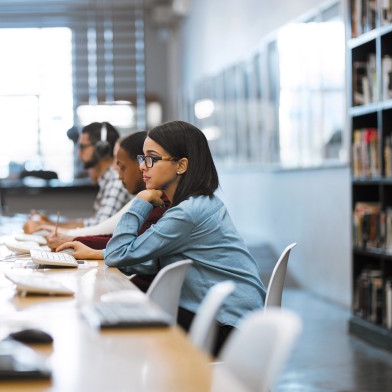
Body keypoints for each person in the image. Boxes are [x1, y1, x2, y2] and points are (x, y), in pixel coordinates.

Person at [61, 120, 266, 355]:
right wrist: (99, 253)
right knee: (118, 321)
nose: (142, 167)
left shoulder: (187, 212)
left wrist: (140, 201)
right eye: (142, 158)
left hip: (228, 326)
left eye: (152, 158)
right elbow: (152, 260)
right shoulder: (197, 204)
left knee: (120, 334)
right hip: (232, 317)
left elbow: (119, 254)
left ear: (181, 165)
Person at [46, 130, 149, 250]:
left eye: (121, 165)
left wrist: (70, 238)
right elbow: (121, 241)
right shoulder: (148, 196)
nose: (115, 168)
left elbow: (107, 232)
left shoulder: (145, 196)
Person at [24, 122, 132, 233]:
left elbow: (98, 230)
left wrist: (46, 226)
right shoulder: (108, 180)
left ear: (101, 149)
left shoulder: (116, 181)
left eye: (82, 147)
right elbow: (92, 223)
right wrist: (49, 223)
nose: (79, 154)